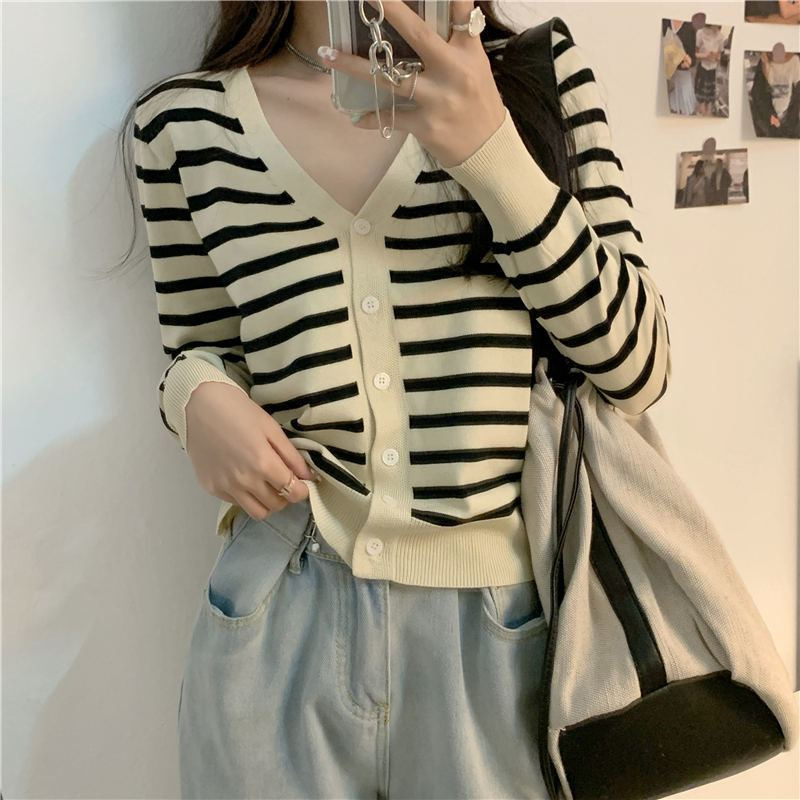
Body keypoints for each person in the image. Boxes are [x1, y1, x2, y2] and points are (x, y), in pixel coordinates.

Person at [120, 1, 672, 797]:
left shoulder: (538, 78)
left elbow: (638, 365)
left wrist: (490, 150)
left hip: (503, 635)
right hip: (277, 621)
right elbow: (196, 347)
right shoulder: (182, 126)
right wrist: (193, 395)